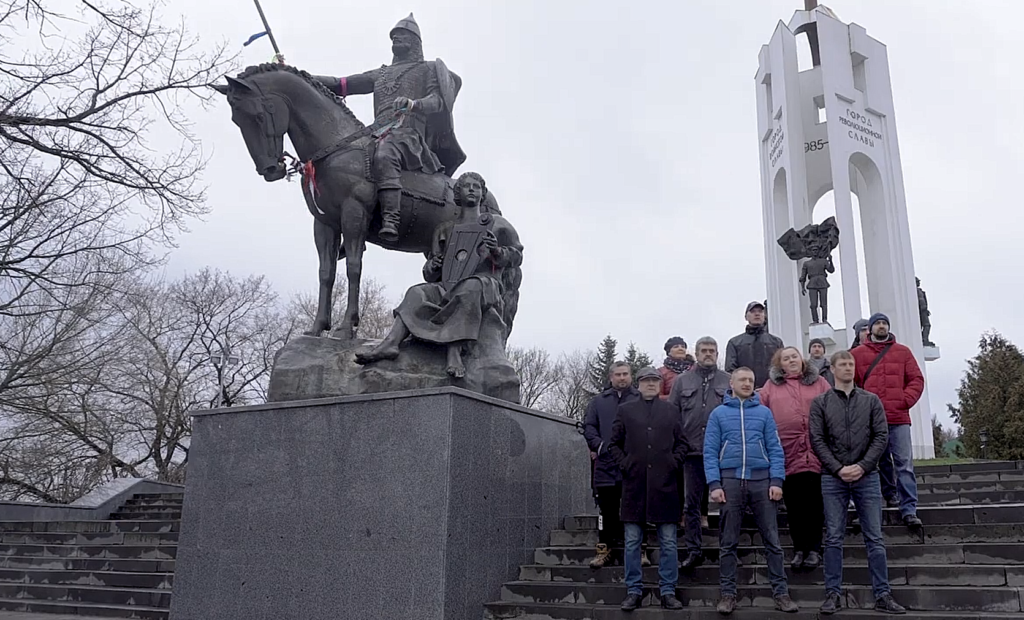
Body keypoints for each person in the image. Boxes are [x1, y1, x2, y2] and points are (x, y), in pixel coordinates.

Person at [314, 14, 465, 241]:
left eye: (402, 36)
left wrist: (414, 104)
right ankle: (353, 225)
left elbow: (439, 101)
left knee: (386, 153)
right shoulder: (381, 74)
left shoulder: (428, 69)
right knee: (348, 162)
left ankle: (391, 218)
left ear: (415, 42)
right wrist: (301, 76)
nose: (396, 40)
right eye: (394, 37)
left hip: (409, 136)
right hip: (376, 134)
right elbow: (341, 84)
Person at [355, 173, 521, 375]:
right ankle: (390, 343)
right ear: (457, 194)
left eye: (475, 187)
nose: (470, 189)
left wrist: (497, 251)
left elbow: (516, 255)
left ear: (482, 193)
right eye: (465, 186)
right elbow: (430, 273)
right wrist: (433, 265)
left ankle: (454, 353)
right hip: (447, 286)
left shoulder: (496, 224)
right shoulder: (444, 230)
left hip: (484, 283)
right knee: (417, 293)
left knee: (469, 289)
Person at [810, 350, 907, 615]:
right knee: (833, 538)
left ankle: (883, 595)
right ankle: (833, 594)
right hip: (833, 478)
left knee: (874, 538)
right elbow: (817, 440)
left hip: (868, 477)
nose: (848, 368)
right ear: (831, 369)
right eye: (842, 364)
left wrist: (862, 467)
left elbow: (881, 436)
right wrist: (839, 468)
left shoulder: (871, 400)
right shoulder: (820, 403)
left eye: (851, 364)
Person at [704, 367, 798, 615]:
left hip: (762, 482)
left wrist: (777, 480)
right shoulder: (718, 414)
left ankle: (781, 593)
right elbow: (710, 452)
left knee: (773, 541)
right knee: (728, 543)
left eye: (750, 380)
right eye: (742, 380)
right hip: (730, 482)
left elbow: (776, 449)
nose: (747, 383)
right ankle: (727, 594)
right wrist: (714, 484)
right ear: (731, 383)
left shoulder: (765, 413)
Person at [609, 367, 687, 611]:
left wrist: (673, 462)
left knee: (669, 542)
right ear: (639, 384)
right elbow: (613, 444)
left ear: (660, 384)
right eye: (646, 381)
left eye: (655, 380)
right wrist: (625, 464)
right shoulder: (626, 410)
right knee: (632, 542)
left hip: (665, 486)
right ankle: (633, 590)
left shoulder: (672, 411)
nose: (651, 384)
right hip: (634, 486)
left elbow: (682, 444)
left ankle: (668, 590)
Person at [759, 347, 831, 571]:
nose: (791, 360)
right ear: (779, 364)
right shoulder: (770, 386)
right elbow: (761, 413)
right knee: (794, 505)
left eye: (794, 356)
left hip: (816, 451)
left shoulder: (819, 382)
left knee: (815, 504)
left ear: (802, 360)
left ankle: (814, 549)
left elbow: (832, 407)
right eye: (786, 358)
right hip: (786, 452)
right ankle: (799, 548)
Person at [852, 313, 925, 527]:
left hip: (898, 417)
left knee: (904, 465)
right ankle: (867, 510)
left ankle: (909, 509)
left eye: (885, 323)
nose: (881, 327)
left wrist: (905, 400)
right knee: (870, 465)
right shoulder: (857, 354)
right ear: (870, 328)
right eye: (878, 323)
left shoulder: (903, 352)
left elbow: (916, 379)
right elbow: (850, 382)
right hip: (870, 420)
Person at [667, 336, 730, 569]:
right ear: (696, 352)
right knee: (691, 505)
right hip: (691, 452)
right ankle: (694, 550)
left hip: (722, 453)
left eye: (712, 350)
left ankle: (728, 549)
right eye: (703, 350)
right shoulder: (682, 381)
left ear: (717, 353)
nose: (708, 354)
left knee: (727, 504)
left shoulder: (728, 380)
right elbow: (672, 415)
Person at [582, 362, 641, 569]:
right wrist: (599, 447)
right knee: (606, 511)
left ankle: (638, 550)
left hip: (632, 463)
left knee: (634, 509)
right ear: (611, 377)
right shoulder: (598, 402)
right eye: (618, 374)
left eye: (625, 374)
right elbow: (589, 426)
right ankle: (603, 551)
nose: (622, 378)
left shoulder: (639, 399)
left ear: (631, 376)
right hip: (606, 464)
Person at [725, 301, 783, 389]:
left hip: (772, 391)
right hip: (744, 392)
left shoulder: (776, 342)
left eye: (760, 311)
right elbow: (730, 371)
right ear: (746, 317)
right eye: (753, 312)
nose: (757, 314)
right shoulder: (734, 342)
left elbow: (782, 367)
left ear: (764, 315)